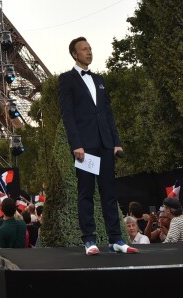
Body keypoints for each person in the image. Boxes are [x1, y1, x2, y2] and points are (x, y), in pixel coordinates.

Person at [58, 36, 137, 255]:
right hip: (86, 147)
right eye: (84, 49)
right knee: (87, 193)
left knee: (109, 193)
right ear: (75, 54)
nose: (89, 52)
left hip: (104, 145)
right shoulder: (67, 80)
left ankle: (116, 239)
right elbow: (68, 115)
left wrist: (116, 142)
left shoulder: (99, 79)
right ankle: (90, 239)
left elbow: (108, 114)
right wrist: (77, 144)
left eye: (90, 48)